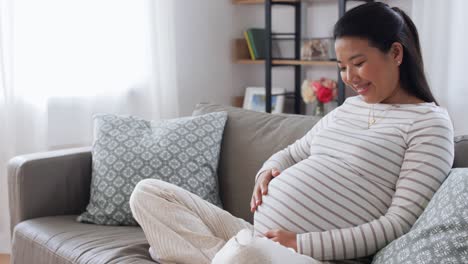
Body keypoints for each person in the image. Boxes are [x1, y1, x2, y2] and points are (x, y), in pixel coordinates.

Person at [129, 2, 454, 263]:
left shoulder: (429, 125)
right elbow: (292, 152)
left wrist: (299, 243)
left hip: (307, 254)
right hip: (259, 238)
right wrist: (267, 171)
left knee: (246, 255)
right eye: (341, 66)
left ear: (396, 53)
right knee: (148, 193)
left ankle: (193, 253)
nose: (349, 77)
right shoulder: (349, 108)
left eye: (358, 62)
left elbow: (397, 225)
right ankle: (219, 255)